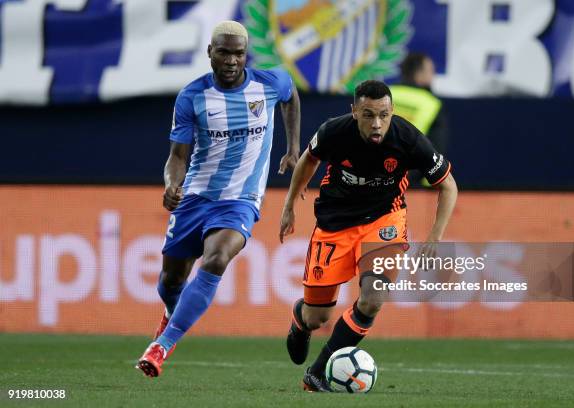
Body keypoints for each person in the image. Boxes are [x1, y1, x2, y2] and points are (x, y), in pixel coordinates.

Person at [136, 20, 301, 378]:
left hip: (241, 199)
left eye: (238, 53)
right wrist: (171, 184)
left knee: (216, 259)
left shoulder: (269, 83)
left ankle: (162, 345)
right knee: (170, 281)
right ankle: (171, 314)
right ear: (210, 52)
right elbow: (178, 155)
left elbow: (291, 97)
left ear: (246, 56)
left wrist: (293, 147)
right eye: (223, 52)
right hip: (196, 196)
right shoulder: (192, 96)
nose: (231, 60)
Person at [279, 80, 457, 391]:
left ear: (392, 113)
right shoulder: (334, 131)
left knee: (373, 298)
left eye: (384, 115)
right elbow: (309, 159)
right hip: (335, 223)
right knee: (317, 317)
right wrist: (289, 204)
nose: (377, 124)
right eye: (368, 115)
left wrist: (435, 236)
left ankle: (319, 372)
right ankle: (300, 319)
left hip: (383, 221)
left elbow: (448, 185)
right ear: (354, 112)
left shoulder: (408, 139)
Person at [390, 53, 448, 187]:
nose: (433, 76)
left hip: (373, 174)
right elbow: (437, 148)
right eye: (431, 71)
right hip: (410, 179)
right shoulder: (432, 103)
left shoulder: (384, 94)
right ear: (419, 74)